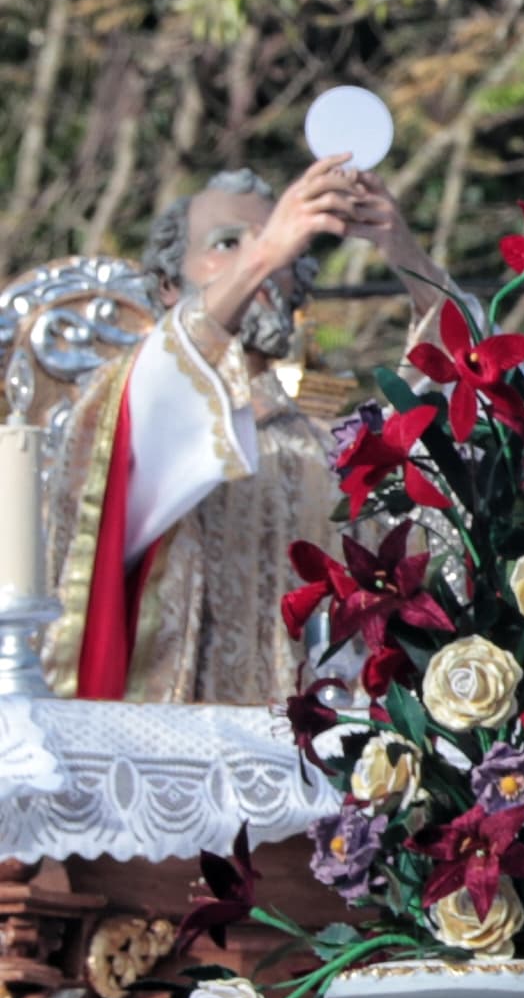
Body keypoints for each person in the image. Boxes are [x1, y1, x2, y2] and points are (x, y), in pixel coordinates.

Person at [52, 158, 440, 703]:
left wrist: (407, 256)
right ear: (167, 285)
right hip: (172, 751)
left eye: (283, 244)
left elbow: (460, 429)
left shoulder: (337, 448)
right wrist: (263, 254)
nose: (269, 252)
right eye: (227, 243)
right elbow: (154, 396)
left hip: (317, 764)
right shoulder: (132, 400)